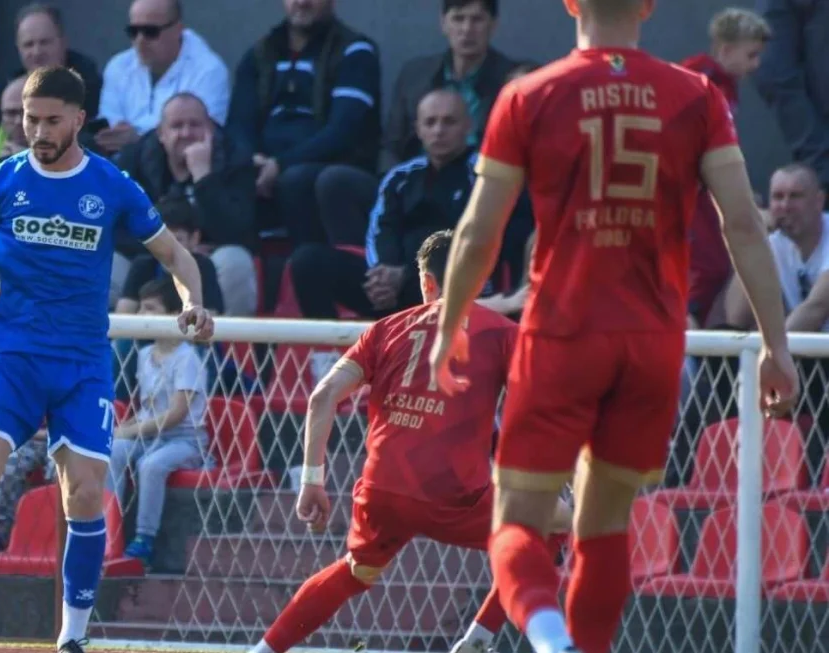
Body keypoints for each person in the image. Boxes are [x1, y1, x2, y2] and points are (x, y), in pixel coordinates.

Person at [427, 3, 799, 653]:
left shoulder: (528, 94)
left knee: (513, 522)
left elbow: (477, 233)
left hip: (562, 335)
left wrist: (448, 326)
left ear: (569, 4)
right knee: (603, 526)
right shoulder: (695, 95)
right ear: (649, 6)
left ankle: (548, 639)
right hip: (653, 343)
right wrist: (775, 344)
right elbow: (744, 224)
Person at [0, 66, 213, 653]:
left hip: (81, 366)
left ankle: (73, 638)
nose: (38, 130)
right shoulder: (1, 180)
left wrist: (193, 301)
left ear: (78, 118)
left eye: (50, 119)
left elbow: (175, 254)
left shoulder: (111, 184)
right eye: (29, 118)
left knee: (85, 495)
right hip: (13, 360)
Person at [249, 230, 570, 653]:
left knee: (357, 572)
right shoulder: (501, 332)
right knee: (557, 523)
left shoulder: (384, 329)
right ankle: (488, 638)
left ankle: (263, 650)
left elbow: (322, 396)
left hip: (382, 490)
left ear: (427, 282)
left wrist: (312, 479)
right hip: (454, 492)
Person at [109, 277, 210, 566]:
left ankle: (144, 538)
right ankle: (108, 528)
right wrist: (125, 431)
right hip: (148, 435)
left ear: (172, 315)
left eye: (150, 309)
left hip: (184, 440)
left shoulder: (187, 357)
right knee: (113, 452)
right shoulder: (142, 355)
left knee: (150, 465)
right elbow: (146, 407)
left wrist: (132, 430)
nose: (141, 316)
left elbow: (175, 414)